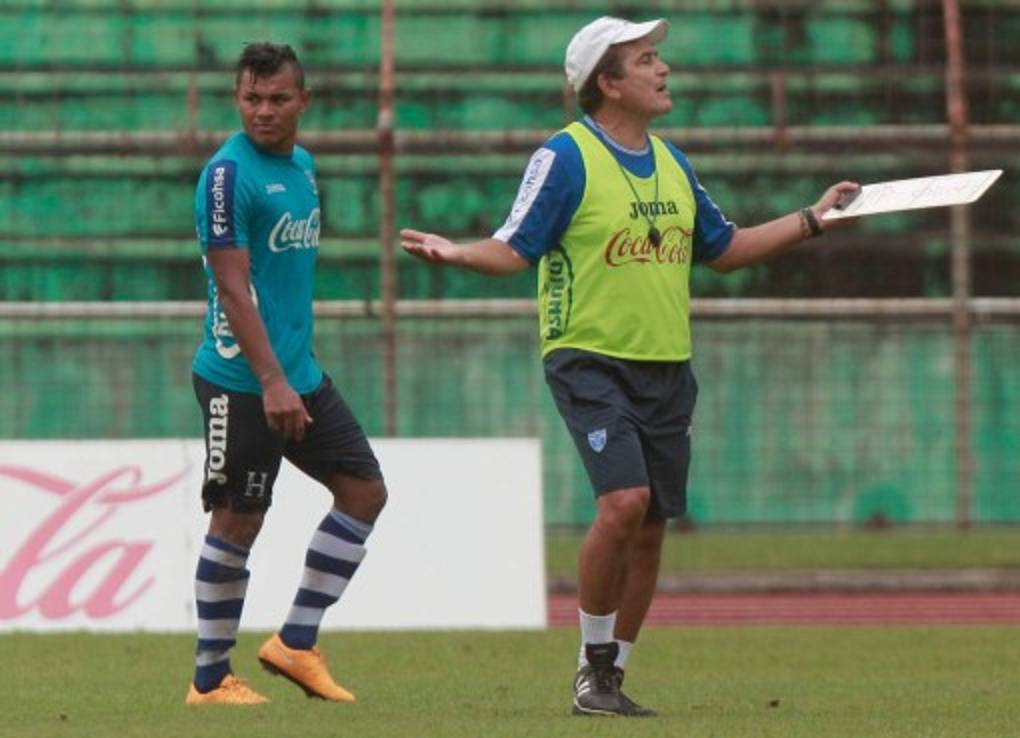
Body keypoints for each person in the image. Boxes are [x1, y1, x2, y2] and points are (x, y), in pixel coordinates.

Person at [401, 17, 858, 717]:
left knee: (651, 526)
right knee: (623, 503)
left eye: (659, 58)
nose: (663, 69)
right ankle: (590, 663)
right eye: (647, 60)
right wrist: (459, 253)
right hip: (587, 358)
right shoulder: (566, 157)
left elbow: (725, 246)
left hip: (667, 366)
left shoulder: (673, 163)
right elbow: (515, 246)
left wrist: (814, 218)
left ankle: (611, 681)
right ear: (607, 83)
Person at [185, 42, 388, 705]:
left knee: (363, 492)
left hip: (296, 373)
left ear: (304, 101)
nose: (263, 111)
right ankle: (210, 681)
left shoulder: (302, 166)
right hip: (242, 379)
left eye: (277, 99)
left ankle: (295, 643)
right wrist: (271, 380)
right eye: (251, 99)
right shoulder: (225, 177)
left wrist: (289, 375)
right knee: (238, 520)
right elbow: (235, 290)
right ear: (236, 99)